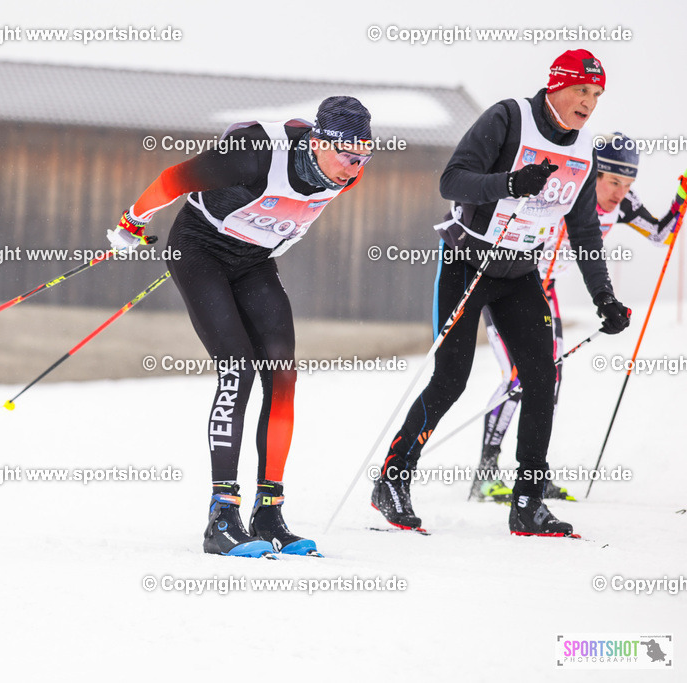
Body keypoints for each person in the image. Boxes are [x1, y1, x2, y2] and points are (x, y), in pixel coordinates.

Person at [370, 49, 631, 537]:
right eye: (581, 90)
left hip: (519, 273)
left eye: (596, 94)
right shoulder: (508, 117)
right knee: (452, 378)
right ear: (555, 86)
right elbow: (453, 181)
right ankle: (392, 479)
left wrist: (604, 298)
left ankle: (528, 502)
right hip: (469, 262)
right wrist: (508, 183)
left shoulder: (583, 149)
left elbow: (584, 229)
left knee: (540, 378)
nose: (589, 103)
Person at [108, 97, 372, 557]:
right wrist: (132, 222)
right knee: (238, 369)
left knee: (283, 376)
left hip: (253, 260)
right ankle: (222, 516)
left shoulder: (347, 172)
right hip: (200, 249)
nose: (355, 167)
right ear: (318, 142)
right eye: (348, 154)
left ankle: (269, 511)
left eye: (364, 155)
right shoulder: (253, 153)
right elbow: (173, 179)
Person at [472, 132, 686, 503]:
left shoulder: (624, 205)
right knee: (518, 376)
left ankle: (534, 472)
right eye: (614, 181)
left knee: (548, 382)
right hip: (510, 284)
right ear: (596, 174)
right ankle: (485, 474)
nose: (620, 192)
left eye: (628, 183)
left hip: (546, 292)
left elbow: (660, 235)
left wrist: (681, 199)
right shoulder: (572, 191)